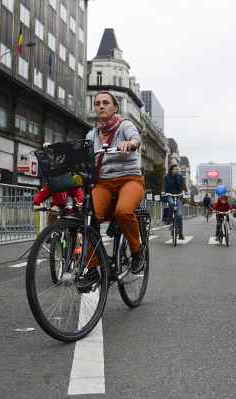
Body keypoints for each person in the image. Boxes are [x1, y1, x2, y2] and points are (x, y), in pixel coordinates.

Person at [82, 91, 144, 287]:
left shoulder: (125, 126)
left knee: (124, 211)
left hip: (130, 179)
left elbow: (136, 139)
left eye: (106, 103)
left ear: (115, 107)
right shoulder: (92, 135)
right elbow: (84, 156)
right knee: (88, 217)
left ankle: (137, 252)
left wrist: (130, 144)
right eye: (97, 103)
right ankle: (92, 268)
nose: (101, 106)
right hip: (104, 183)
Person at [164, 164, 187, 240]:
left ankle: (180, 233)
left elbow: (184, 186)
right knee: (171, 203)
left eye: (178, 169)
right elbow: (164, 186)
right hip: (169, 195)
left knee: (179, 216)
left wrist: (186, 192)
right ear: (171, 170)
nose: (177, 170)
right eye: (175, 169)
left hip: (179, 196)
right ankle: (170, 220)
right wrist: (163, 192)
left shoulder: (180, 177)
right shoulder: (167, 177)